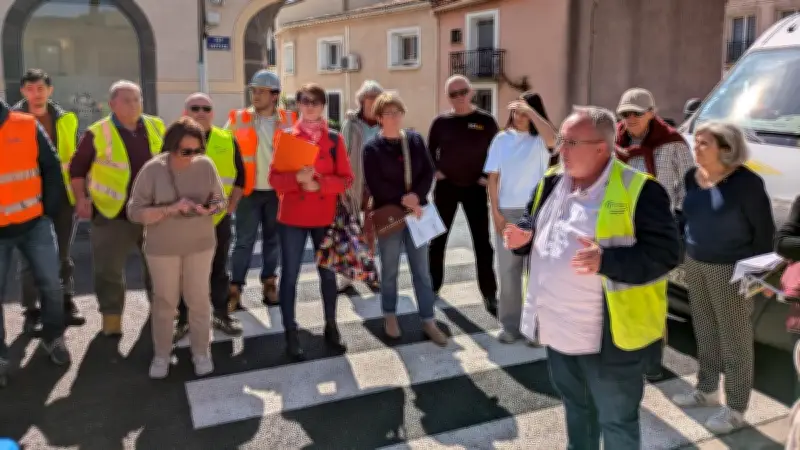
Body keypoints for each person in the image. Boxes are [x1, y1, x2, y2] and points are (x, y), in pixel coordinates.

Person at [505, 106, 680, 449]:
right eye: (561, 141)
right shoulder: (553, 180)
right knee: (577, 412)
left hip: (609, 339)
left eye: (570, 142)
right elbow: (533, 219)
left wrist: (608, 261)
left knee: (616, 421)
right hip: (559, 329)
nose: (561, 150)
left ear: (601, 148)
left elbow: (668, 255)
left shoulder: (640, 190)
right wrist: (524, 235)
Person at [671, 121, 775, 433]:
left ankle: (736, 408)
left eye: (704, 143)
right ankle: (706, 390)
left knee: (735, 339)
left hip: (731, 271)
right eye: (697, 141)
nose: (696, 147)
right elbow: (686, 215)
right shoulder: (692, 177)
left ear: (726, 149)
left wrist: (760, 276)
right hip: (695, 262)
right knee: (703, 328)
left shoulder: (747, 184)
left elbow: (764, 232)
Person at [127, 117, 225, 379]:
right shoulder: (152, 170)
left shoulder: (205, 165)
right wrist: (170, 209)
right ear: (171, 146)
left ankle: (201, 352)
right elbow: (134, 212)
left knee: (199, 300)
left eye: (197, 150)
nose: (192, 156)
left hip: (201, 244)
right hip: (162, 248)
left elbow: (219, 197)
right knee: (165, 302)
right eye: (186, 151)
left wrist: (211, 208)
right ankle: (161, 355)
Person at [69, 80, 165, 337]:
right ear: (112, 104)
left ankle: (161, 312)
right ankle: (112, 317)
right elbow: (77, 170)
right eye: (127, 100)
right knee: (108, 270)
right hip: (113, 214)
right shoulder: (97, 133)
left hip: (152, 213)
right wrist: (81, 199)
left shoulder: (156, 125)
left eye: (137, 99)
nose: (134, 105)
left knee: (157, 267)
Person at [268, 83, 354, 361]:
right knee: (290, 274)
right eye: (305, 101)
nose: (311, 106)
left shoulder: (334, 140)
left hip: (323, 215)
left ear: (323, 106)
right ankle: (290, 333)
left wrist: (323, 185)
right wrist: (296, 180)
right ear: (298, 104)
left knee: (327, 274)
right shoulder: (286, 136)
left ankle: (331, 325)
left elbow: (346, 179)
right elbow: (273, 179)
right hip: (292, 216)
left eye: (316, 101)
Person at [614, 87, 694, 380]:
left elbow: (687, 187)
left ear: (652, 112)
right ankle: (626, 352)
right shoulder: (616, 142)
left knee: (654, 297)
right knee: (624, 292)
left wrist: (678, 225)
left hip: (659, 228)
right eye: (625, 113)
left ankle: (652, 361)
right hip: (621, 224)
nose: (630, 118)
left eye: (637, 112)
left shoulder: (672, 144)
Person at [363, 92, 448, 345]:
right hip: (390, 216)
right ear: (379, 117)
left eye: (397, 112)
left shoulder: (413, 140)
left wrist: (417, 196)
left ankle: (428, 319)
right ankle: (390, 314)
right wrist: (405, 198)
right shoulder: (372, 148)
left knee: (422, 271)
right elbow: (375, 185)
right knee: (389, 270)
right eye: (388, 113)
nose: (394, 117)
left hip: (417, 214)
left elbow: (428, 170)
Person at [0, 99, 71, 387]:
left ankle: (53, 337)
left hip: (34, 224)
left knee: (51, 285)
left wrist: (47, 212)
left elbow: (51, 168)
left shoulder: (25, 124)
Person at [12, 68, 84, 332]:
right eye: (30, 89)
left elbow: (74, 158)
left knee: (63, 255)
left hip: (61, 197)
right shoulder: (11, 121)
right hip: (25, 199)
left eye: (41, 88)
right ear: (22, 92)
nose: (36, 94)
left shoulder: (66, 120)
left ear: (50, 90)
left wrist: (79, 193)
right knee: (29, 259)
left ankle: (66, 302)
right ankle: (32, 310)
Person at [484, 92, 556, 344]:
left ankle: (536, 328)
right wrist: (495, 212)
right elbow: (492, 178)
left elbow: (554, 140)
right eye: (515, 111)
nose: (518, 117)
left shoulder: (540, 141)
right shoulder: (501, 140)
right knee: (508, 271)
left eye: (523, 112)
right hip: (509, 212)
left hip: (538, 211)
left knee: (536, 272)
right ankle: (510, 326)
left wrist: (532, 112)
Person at [173, 93, 245, 340]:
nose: (201, 112)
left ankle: (221, 315)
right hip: (184, 221)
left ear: (213, 114)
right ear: (186, 112)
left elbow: (240, 178)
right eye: (195, 108)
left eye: (206, 108)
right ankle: (183, 320)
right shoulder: (173, 141)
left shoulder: (227, 139)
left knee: (218, 269)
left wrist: (231, 206)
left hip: (217, 219)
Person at [226, 70, 297, 310]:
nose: (255, 95)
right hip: (248, 191)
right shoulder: (238, 119)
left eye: (261, 91)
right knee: (243, 242)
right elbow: (223, 149)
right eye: (254, 91)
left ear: (275, 95)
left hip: (277, 193)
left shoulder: (290, 120)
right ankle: (235, 288)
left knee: (272, 240)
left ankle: (269, 283)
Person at [428, 75, 499, 315]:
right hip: (446, 188)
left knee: (482, 243)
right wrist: (435, 171)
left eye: (462, 92)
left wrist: (487, 177)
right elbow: (429, 152)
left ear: (471, 93)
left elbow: (497, 154)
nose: (459, 97)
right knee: (437, 241)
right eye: (453, 94)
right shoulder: (441, 122)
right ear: (448, 97)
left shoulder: (486, 121)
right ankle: (432, 287)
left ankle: (489, 293)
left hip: (475, 189)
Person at [339, 80, 384, 293]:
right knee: (351, 229)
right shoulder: (351, 123)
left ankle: (370, 272)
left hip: (376, 184)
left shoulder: (384, 123)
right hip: (355, 183)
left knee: (371, 230)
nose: (373, 102)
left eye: (377, 98)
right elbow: (342, 153)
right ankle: (347, 275)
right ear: (362, 101)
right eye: (369, 98)